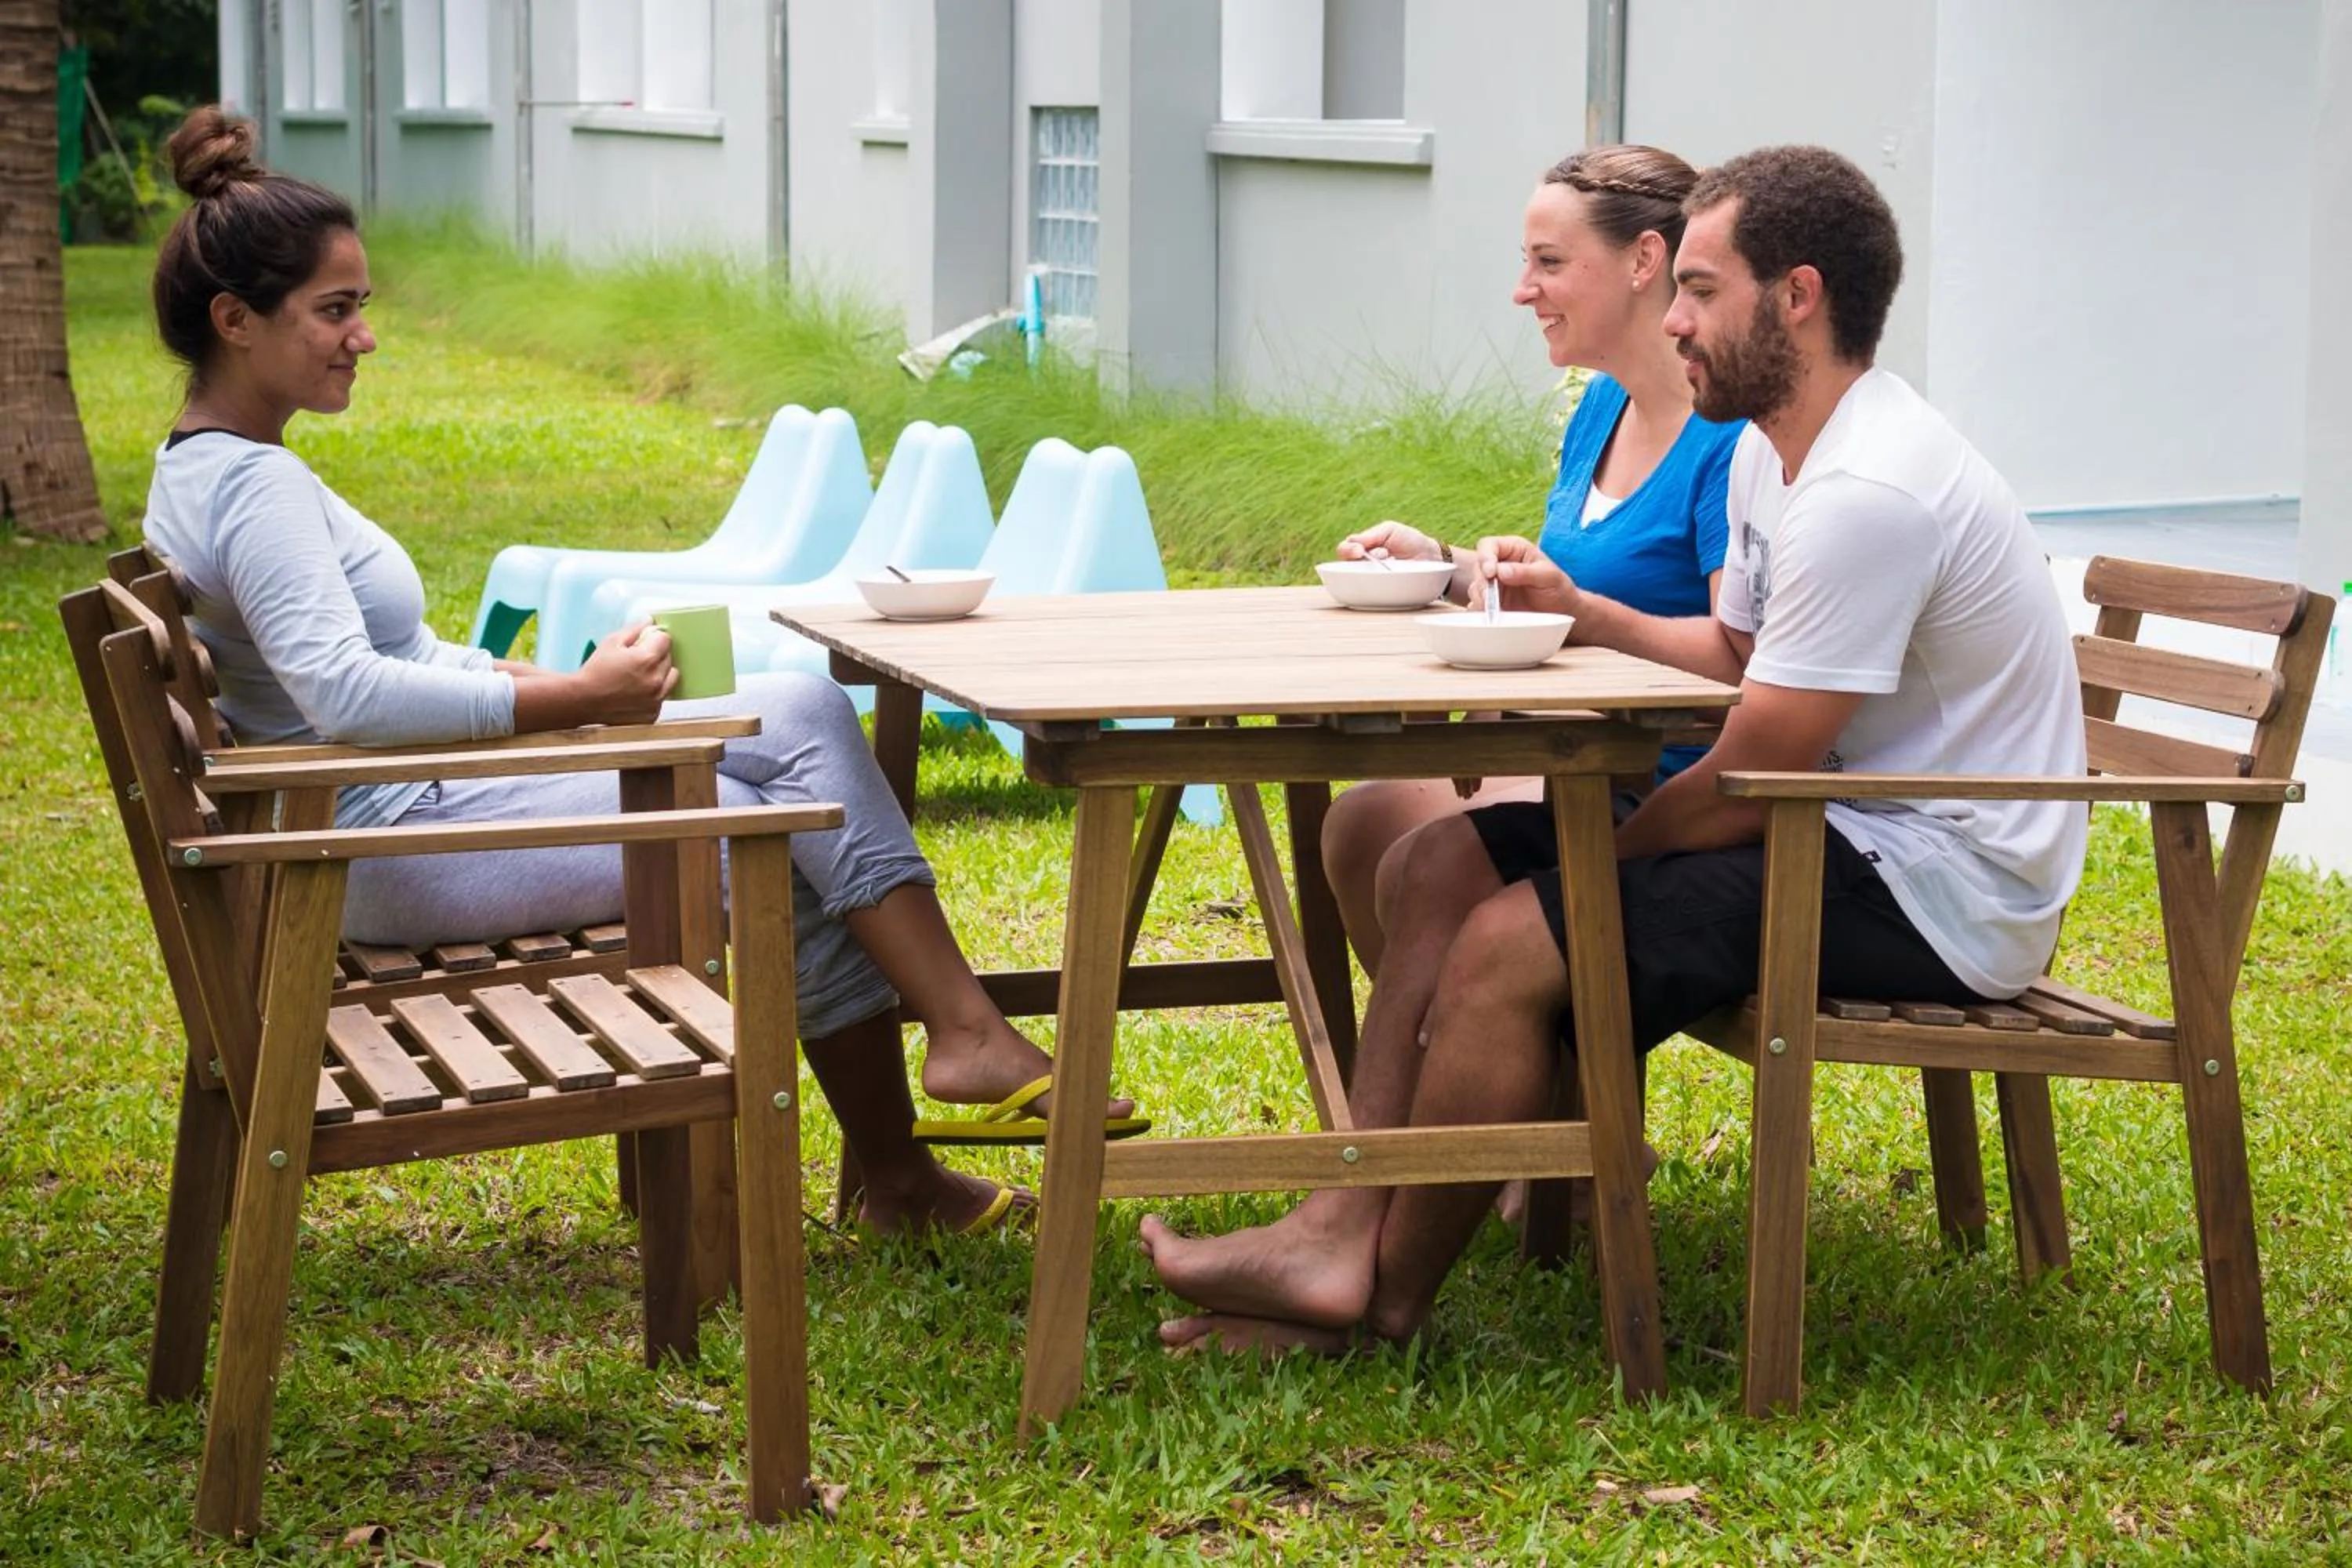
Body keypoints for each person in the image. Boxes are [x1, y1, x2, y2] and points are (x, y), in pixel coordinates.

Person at [1142, 144, 2089, 1354]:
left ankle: (1378, 1306)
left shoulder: (1870, 491)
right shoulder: (1764, 447)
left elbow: (1758, 769)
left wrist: (1604, 855)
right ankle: (1339, 1220)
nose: (1676, 319)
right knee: (1439, 865)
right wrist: (1585, 617)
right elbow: (1739, 657)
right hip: (1836, 825)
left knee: (1510, 933)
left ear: (1796, 296)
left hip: (1930, 881)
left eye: (1700, 290)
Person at [140, 106, 1138, 1239]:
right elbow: (348, 696)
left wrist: (578, 686)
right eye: (334, 311)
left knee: (802, 708)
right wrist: (575, 703)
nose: (362, 337)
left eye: (359, 307)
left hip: (407, 802)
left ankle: (956, 1052)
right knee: (761, 820)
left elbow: (393, 663)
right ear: (235, 320)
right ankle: (915, 1141)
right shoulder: (255, 487)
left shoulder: (212, 465)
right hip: (384, 847)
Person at [1320, 144, 1743, 975]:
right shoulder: (1600, 407)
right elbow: (1560, 596)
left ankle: (1476, 1068)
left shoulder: (1728, 442)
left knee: (1424, 856)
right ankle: (1463, 1057)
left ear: (1644, 261)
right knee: (1358, 823)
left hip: (1653, 783)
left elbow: (1735, 661)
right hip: (1566, 753)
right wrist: (1441, 566)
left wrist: (1558, 643)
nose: (1524, 290)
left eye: (1549, 263)